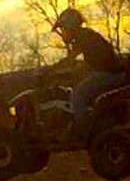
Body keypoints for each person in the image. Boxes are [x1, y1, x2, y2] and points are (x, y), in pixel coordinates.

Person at [51, 8, 126, 141]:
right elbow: (84, 61)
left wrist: (52, 71)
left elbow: (71, 59)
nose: (63, 33)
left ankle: (83, 130)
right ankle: (94, 123)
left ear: (70, 26)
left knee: (77, 94)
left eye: (63, 29)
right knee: (83, 88)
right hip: (114, 72)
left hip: (107, 74)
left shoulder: (82, 37)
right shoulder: (87, 35)